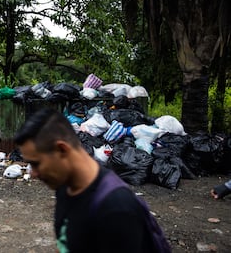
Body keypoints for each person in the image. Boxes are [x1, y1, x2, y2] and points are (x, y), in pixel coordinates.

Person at [14, 108, 170, 253]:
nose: (32, 173)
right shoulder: (65, 186)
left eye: (36, 163)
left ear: (62, 150)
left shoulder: (117, 207)